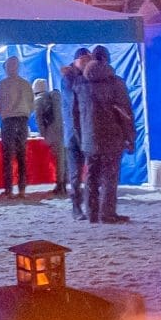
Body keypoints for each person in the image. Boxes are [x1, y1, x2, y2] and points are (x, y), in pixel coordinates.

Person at [82, 45, 135, 224]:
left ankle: (92, 212)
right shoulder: (116, 83)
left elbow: (75, 113)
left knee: (91, 176)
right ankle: (108, 213)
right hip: (112, 136)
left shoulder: (81, 84)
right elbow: (124, 113)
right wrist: (130, 137)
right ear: (107, 59)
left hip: (89, 138)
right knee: (110, 177)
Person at [0, 53, 34, 197]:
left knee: (7, 155)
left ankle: (9, 189)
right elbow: (32, 104)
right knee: (22, 154)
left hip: (8, 120)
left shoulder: (2, 85)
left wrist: (3, 113)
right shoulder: (26, 84)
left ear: (6, 68)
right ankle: (22, 189)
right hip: (23, 120)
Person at [61, 58, 92, 220]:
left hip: (83, 132)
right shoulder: (70, 79)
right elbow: (74, 104)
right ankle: (76, 207)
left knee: (88, 172)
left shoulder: (78, 77)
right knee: (76, 173)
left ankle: (87, 206)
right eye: (85, 60)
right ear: (77, 60)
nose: (88, 63)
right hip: (75, 134)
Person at [32, 65, 68, 198]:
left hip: (51, 133)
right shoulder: (54, 98)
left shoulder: (38, 101)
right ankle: (62, 183)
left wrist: (43, 135)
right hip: (62, 130)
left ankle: (60, 184)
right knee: (62, 159)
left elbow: (39, 120)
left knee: (58, 159)